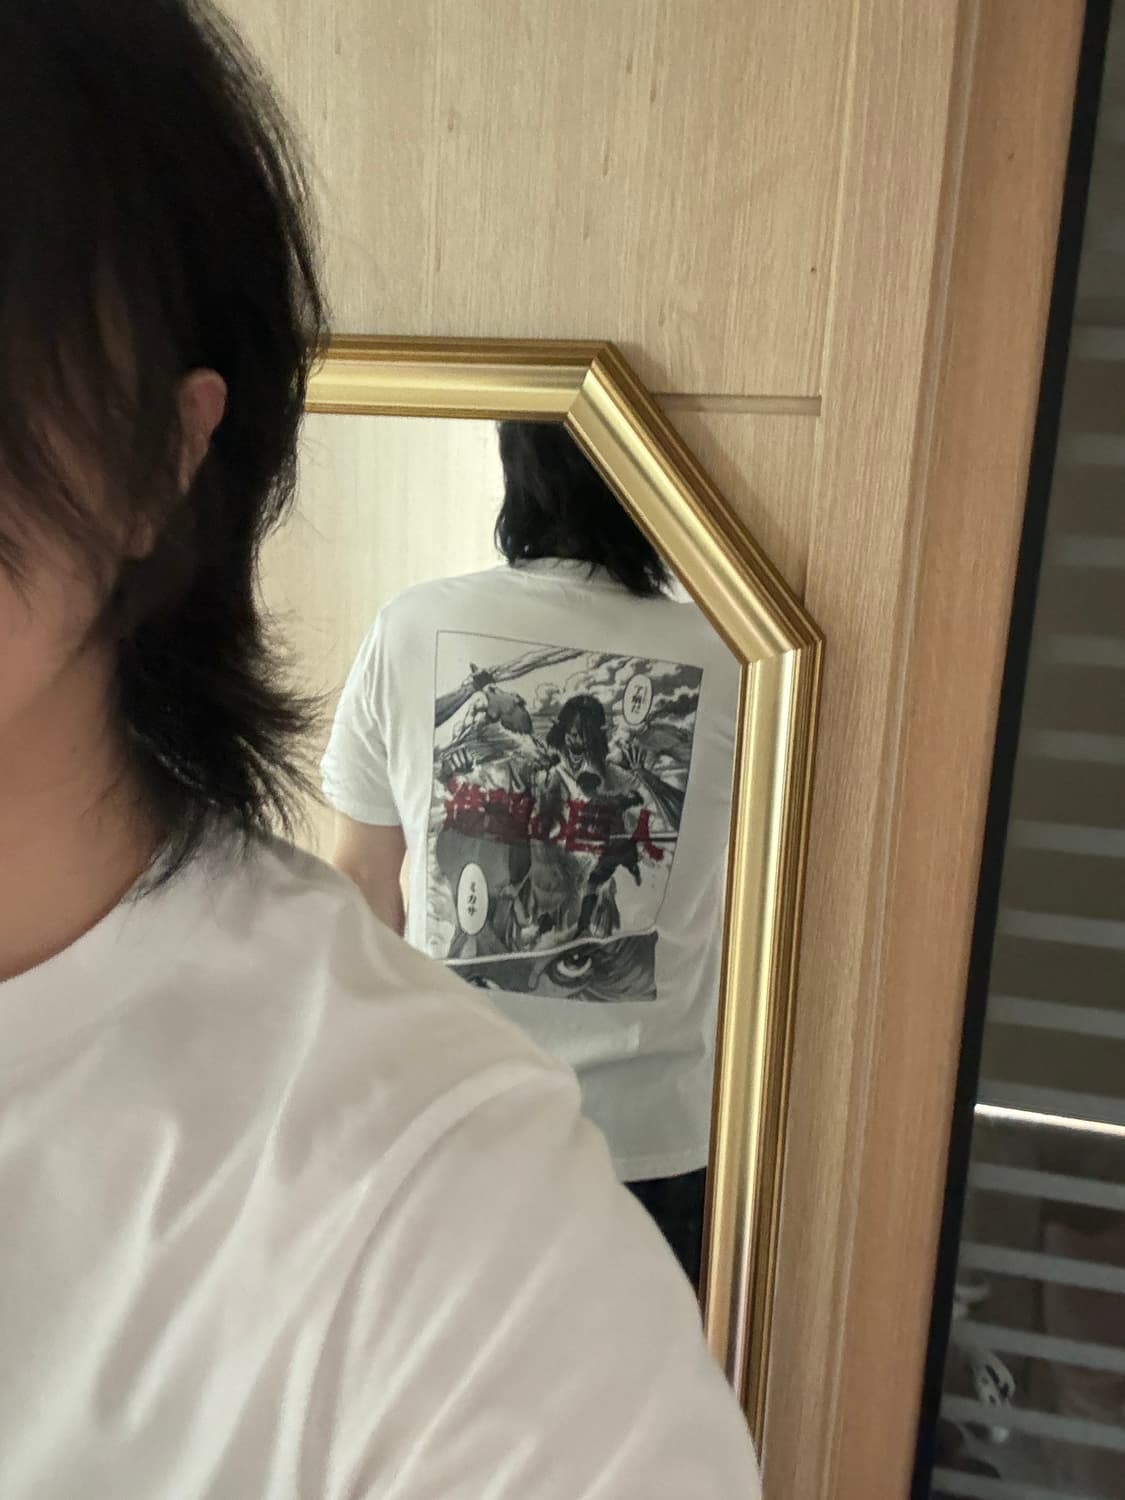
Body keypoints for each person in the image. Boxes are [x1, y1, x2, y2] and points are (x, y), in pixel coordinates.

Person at [0, 1, 763, 1494]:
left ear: (167, 453)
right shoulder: (725, 659)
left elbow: (364, 880)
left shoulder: (457, 1244)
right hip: (660, 1121)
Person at [323, 422, 740, 1290]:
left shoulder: (412, 626)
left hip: (452, 1126)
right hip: (650, 1145)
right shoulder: (734, 653)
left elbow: (359, 891)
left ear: (516, 460)